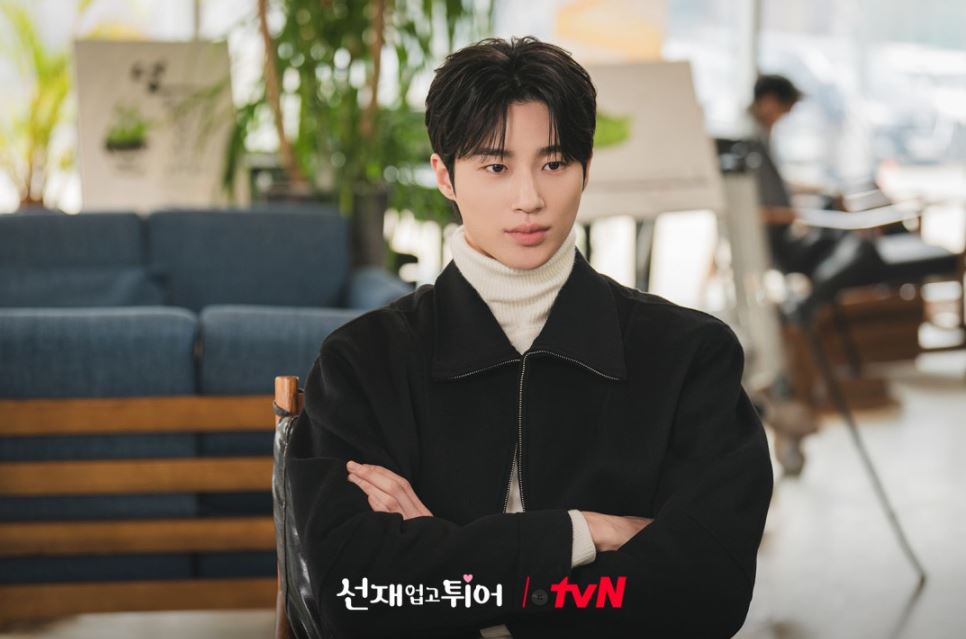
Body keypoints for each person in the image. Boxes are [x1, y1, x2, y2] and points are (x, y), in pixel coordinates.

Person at [284, 36, 773, 639]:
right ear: (444, 176)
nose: (529, 199)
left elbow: (708, 590)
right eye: (495, 166)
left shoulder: (689, 355)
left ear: (586, 169)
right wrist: (586, 532)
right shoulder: (363, 362)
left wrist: (452, 572)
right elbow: (355, 597)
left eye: (554, 163)